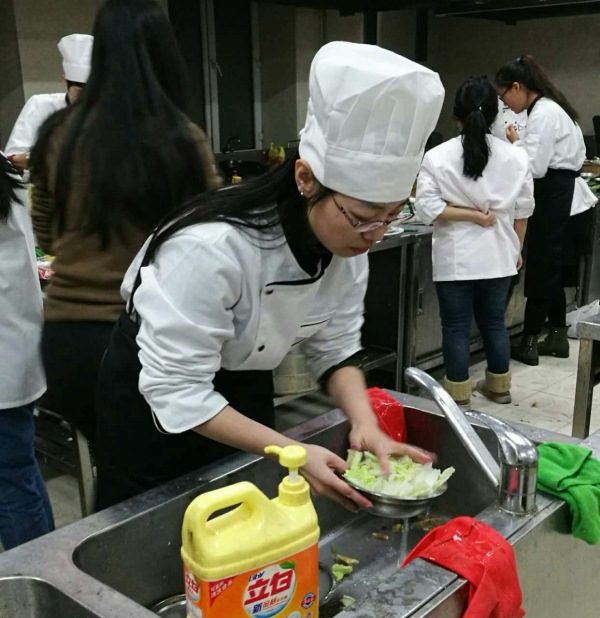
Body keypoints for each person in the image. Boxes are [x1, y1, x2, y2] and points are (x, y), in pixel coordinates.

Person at [94, 41, 445, 511]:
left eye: (391, 215)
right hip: (154, 404)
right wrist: (292, 452)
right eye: (363, 215)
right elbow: (178, 390)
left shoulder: (347, 245)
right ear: (304, 178)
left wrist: (365, 421)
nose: (376, 234)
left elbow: (334, 350)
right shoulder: (211, 249)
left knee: (246, 516)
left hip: (242, 387)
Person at [29, 0, 222, 446]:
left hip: (66, 339)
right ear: (166, 55)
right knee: (154, 481)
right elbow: (208, 243)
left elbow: (46, 235)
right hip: (145, 339)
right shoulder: (181, 139)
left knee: (111, 467)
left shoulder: (58, 133)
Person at [415, 78, 534, 409]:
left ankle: (458, 395)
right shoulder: (516, 157)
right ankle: (499, 387)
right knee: (494, 322)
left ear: (456, 115)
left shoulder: (437, 157)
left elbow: (427, 209)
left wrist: (467, 215)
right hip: (500, 255)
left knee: (455, 327)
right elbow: (523, 212)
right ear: (496, 116)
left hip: (456, 258)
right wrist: (516, 251)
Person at [496, 55, 597, 365]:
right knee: (550, 262)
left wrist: (513, 146)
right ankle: (556, 333)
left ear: (517, 86)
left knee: (542, 262)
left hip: (552, 190)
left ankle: (528, 340)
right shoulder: (550, 108)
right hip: (559, 189)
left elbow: (536, 167)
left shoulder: (544, 113)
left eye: (504, 97)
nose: (506, 105)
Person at [0, 152, 54, 550]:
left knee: (11, 485)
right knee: (20, 473)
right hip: (15, 349)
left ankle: (32, 599)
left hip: (6, 356)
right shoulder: (5, 170)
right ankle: (52, 567)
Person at [4, 34, 93, 174]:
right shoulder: (40, 105)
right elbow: (14, 159)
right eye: (79, 92)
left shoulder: (108, 113)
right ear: (64, 81)